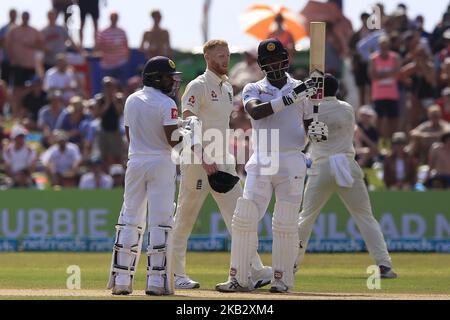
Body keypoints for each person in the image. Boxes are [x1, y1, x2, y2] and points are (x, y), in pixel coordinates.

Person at [215, 38, 318, 293]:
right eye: (268, 61)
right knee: (244, 218)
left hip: (292, 159)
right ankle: (239, 278)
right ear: (261, 64)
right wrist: (291, 97)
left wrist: (319, 129)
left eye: (277, 59)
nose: (274, 64)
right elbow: (256, 112)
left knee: (285, 221)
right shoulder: (254, 88)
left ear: (286, 59)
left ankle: (282, 280)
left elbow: (310, 128)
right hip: (262, 157)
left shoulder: (303, 90)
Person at [172, 39, 271, 290]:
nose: (225, 60)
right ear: (207, 58)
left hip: (223, 159)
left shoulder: (227, 86)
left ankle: (254, 269)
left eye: (227, 55)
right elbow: (188, 123)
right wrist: (202, 156)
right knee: (185, 217)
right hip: (197, 160)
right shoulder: (198, 85)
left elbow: (222, 124)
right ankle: (173, 274)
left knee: (239, 216)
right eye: (219, 56)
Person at [294, 74, 397, 279]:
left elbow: (307, 128)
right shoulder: (347, 108)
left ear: (319, 91)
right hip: (347, 166)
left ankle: (289, 264)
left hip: (322, 167)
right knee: (365, 217)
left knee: (305, 218)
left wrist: (308, 97)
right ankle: (384, 264)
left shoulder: (312, 109)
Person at [107, 56, 183, 296]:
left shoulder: (131, 99)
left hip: (136, 160)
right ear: (157, 78)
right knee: (160, 221)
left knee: (130, 217)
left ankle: (121, 281)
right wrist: (190, 134)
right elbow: (173, 141)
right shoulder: (166, 103)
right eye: (170, 77)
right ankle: (156, 283)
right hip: (161, 161)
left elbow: (129, 135)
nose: (173, 81)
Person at [94, 12, 129, 86]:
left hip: (120, 64)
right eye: (113, 18)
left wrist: (126, 59)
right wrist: (112, 48)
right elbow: (98, 47)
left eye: (116, 18)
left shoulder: (122, 31)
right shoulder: (103, 32)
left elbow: (126, 46)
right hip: (107, 65)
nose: (114, 20)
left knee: (122, 86)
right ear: (110, 19)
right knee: (107, 86)